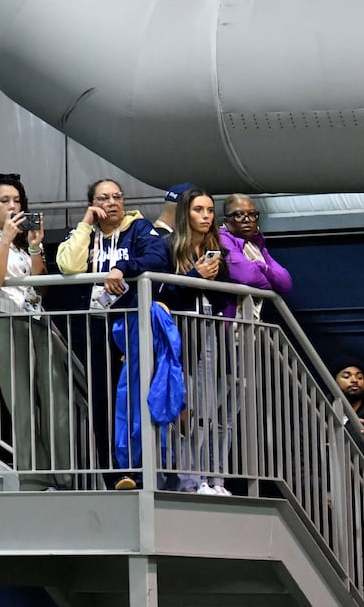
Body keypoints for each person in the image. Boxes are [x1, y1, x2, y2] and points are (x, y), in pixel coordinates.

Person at [0, 173, 76, 491]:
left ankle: (65, 475)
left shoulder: (21, 239)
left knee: (56, 399)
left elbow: (37, 290)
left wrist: (36, 248)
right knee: (22, 404)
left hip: (35, 319)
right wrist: (4, 241)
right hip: (3, 320)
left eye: (17, 201)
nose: (13, 206)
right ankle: (33, 479)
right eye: (5, 200)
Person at [163, 187, 234, 495]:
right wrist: (195, 275)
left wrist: (215, 275)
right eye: (198, 210)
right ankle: (188, 481)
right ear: (185, 214)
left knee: (206, 410)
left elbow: (223, 296)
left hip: (208, 330)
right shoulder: (168, 247)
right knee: (185, 410)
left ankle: (207, 479)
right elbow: (162, 293)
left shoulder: (215, 247)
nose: (205, 216)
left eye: (209, 210)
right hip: (180, 332)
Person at [56, 178, 165, 308]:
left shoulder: (139, 228)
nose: (112, 203)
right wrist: (85, 223)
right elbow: (70, 267)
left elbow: (157, 258)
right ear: (91, 204)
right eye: (103, 198)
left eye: (117, 197)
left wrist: (122, 267)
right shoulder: (83, 234)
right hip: (90, 318)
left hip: (129, 316)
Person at [217, 194, 291, 319]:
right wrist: (271, 282)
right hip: (227, 325)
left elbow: (285, 282)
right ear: (226, 221)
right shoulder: (221, 238)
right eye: (238, 215)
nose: (247, 220)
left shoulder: (255, 244)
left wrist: (262, 267)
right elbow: (247, 276)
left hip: (251, 325)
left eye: (251, 214)